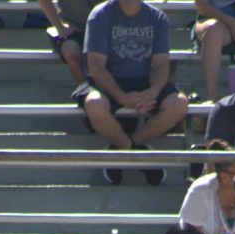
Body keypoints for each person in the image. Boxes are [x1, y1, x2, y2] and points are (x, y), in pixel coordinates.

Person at [77, 0, 189, 187]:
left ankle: (123, 146)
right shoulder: (100, 15)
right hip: (108, 81)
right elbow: (96, 67)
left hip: (144, 80)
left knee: (179, 104)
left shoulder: (157, 17)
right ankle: (137, 153)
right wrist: (121, 96)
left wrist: (153, 91)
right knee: (94, 105)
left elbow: (161, 64)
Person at [36, 0, 93, 87]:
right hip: (72, 26)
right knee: (72, 55)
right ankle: (85, 94)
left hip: (105, 26)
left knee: (102, 58)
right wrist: (60, 26)